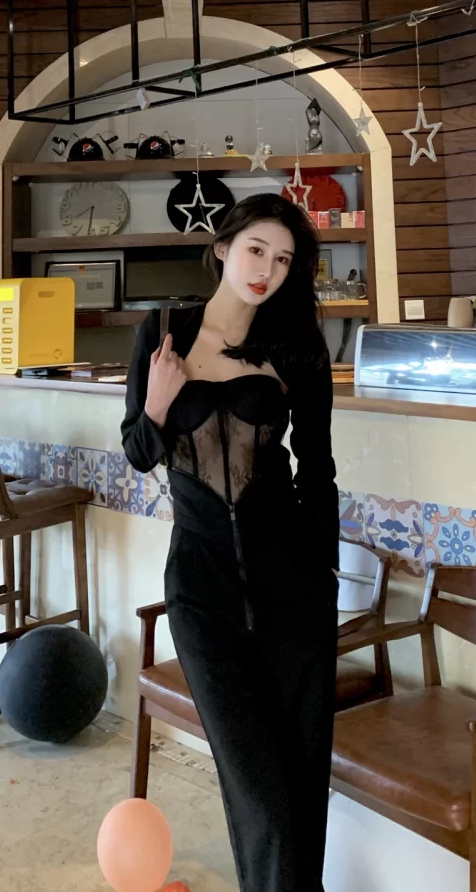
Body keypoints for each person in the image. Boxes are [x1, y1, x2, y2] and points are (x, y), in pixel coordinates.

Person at [121, 192, 340, 892]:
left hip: (293, 590)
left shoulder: (295, 347)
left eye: (283, 260)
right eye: (256, 250)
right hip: (201, 589)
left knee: (299, 784)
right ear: (222, 248)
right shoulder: (163, 333)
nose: (266, 270)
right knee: (261, 795)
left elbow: (318, 467)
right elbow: (138, 451)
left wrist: (325, 576)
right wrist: (158, 402)